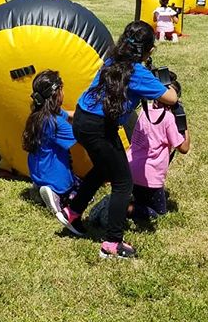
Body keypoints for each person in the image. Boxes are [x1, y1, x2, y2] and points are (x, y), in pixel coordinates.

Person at [55, 20, 178, 260]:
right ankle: (112, 243)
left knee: (103, 169)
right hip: (99, 128)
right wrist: (159, 81)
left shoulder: (110, 61)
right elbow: (171, 98)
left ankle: (72, 211)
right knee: (123, 183)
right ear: (149, 51)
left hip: (82, 119)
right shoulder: (138, 73)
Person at [127, 68, 190, 220]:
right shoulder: (168, 119)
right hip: (150, 176)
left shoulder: (144, 110)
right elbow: (184, 148)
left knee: (140, 198)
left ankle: (128, 203)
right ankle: (124, 208)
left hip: (131, 168)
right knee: (158, 214)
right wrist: (183, 122)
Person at [22, 70, 78, 216]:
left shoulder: (39, 114)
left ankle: (40, 188)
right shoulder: (55, 122)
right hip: (56, 177)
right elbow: (81, 136)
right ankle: (57, 196)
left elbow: (70, 115)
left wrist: (85, 112)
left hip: (39, 172)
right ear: (57, 93)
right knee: (80, 191)